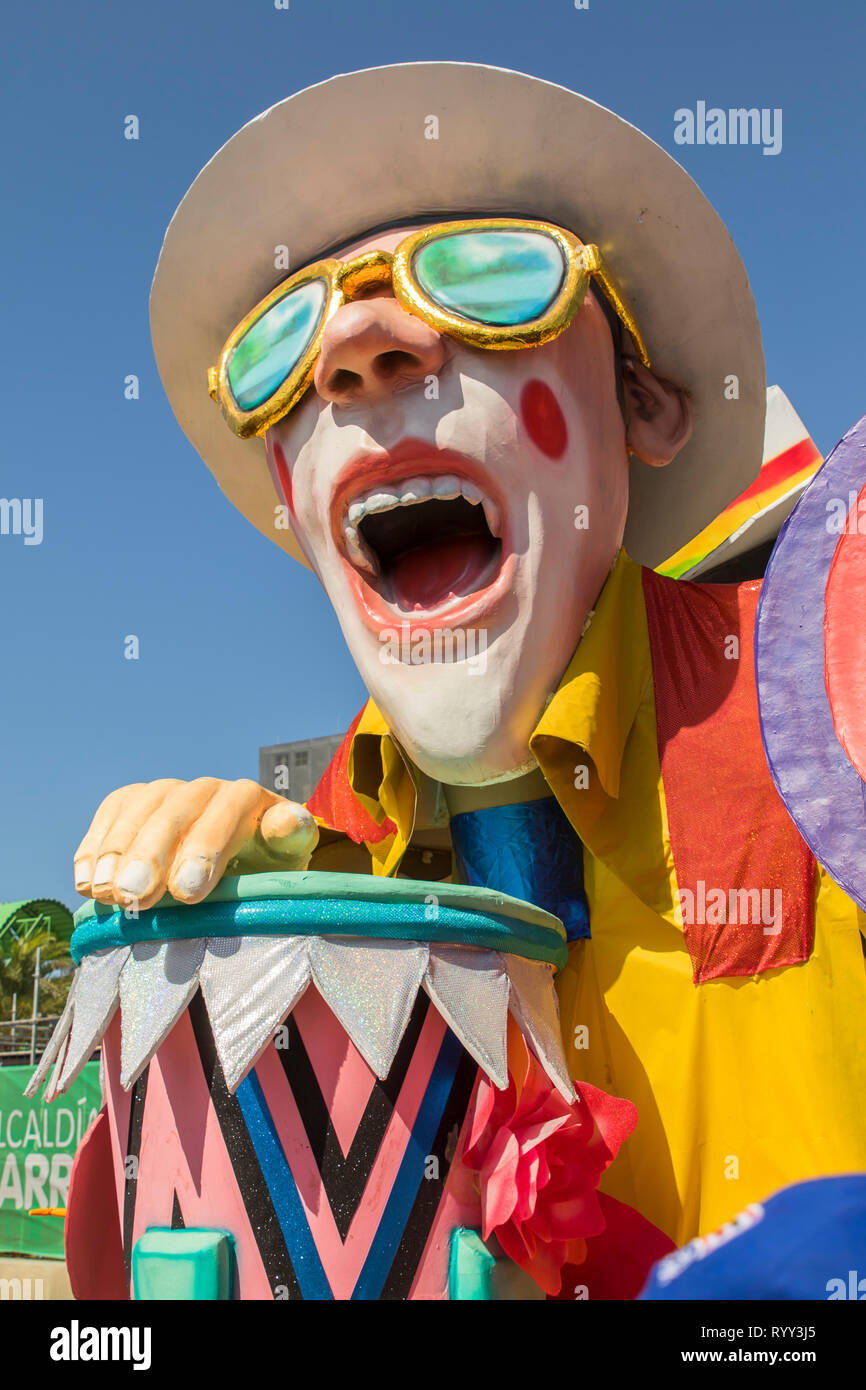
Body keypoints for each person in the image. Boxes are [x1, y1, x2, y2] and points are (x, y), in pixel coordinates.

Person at [71, 63, 866, 1264]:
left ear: (640, 406)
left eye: (490, 275)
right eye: (287, 340)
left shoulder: (826, 693)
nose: (358, 348)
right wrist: (211, 964)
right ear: (292, 495)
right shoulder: (316, 863)